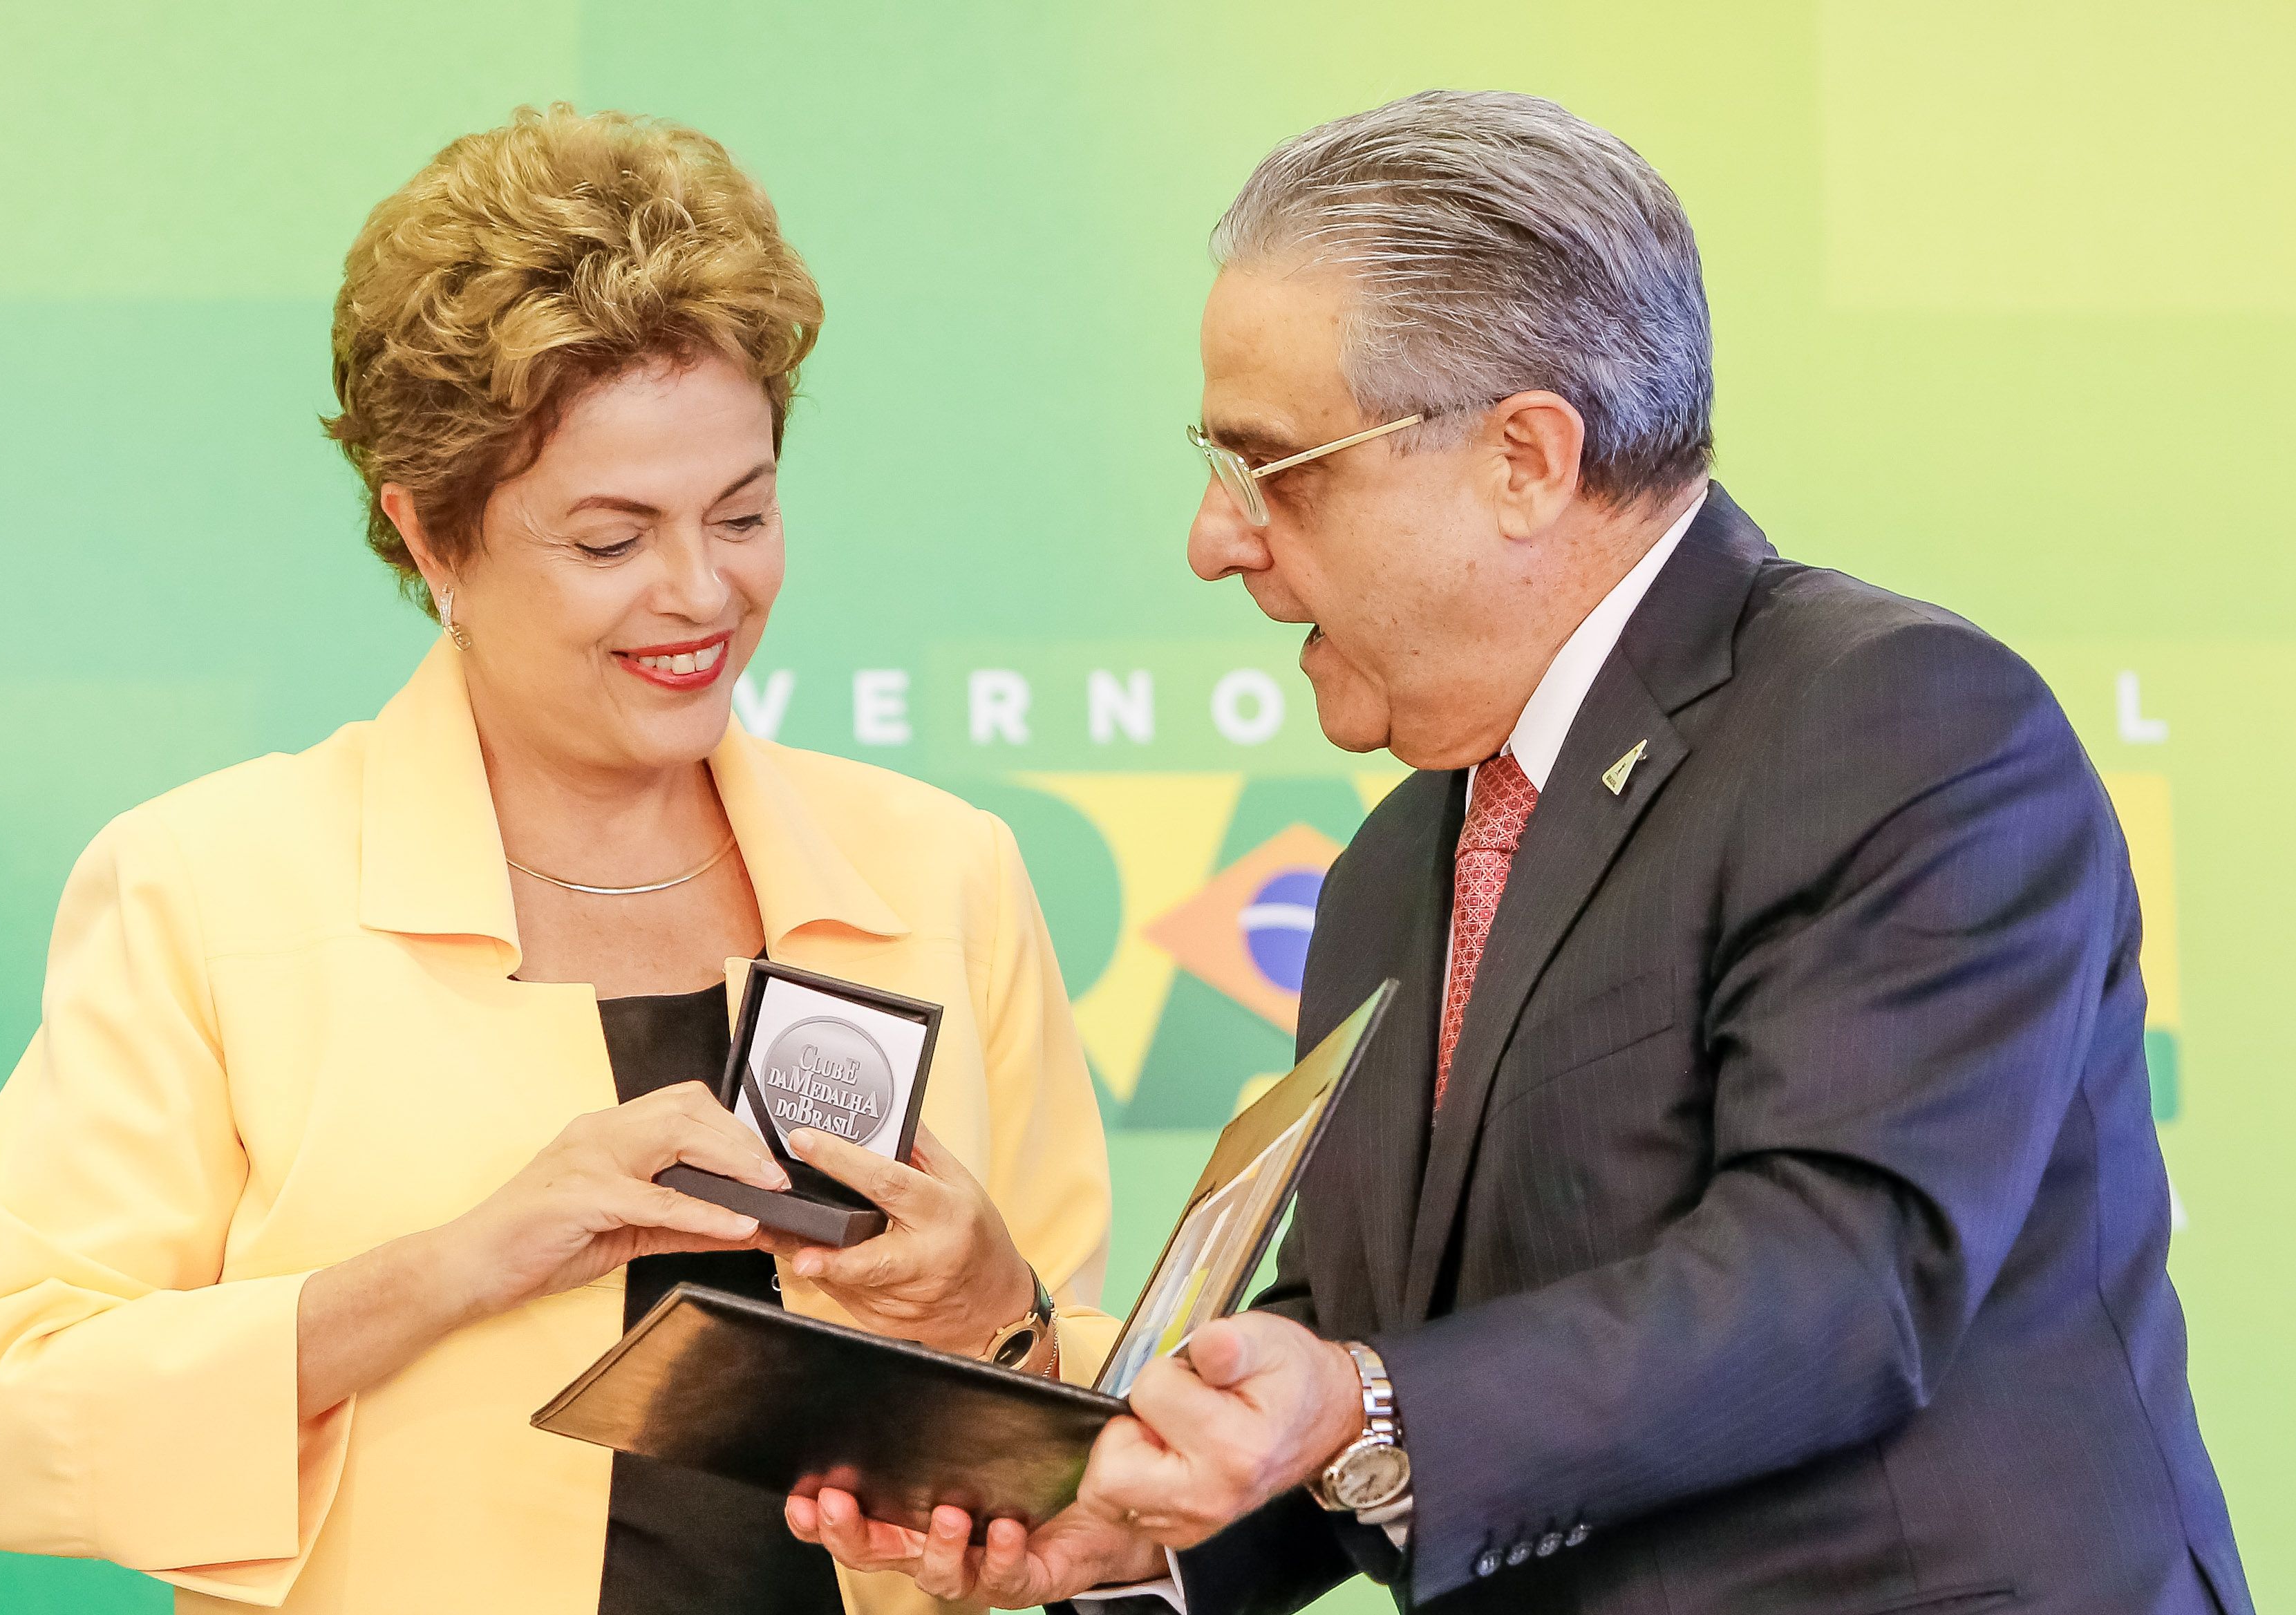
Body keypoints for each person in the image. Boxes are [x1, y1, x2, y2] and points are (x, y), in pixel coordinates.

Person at [793, 90, 2254, 1614]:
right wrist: (1118, 1521)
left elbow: (1838, 1277)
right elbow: (1375, 1351)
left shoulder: (1895, 723)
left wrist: (1352, 1398)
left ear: (1524, 459)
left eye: (1272, 467)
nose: (1212, 540)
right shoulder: (1388, 870)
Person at [0, 104, 1116, 1615]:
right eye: (609, 540)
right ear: (429, 538)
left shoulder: (945, 871)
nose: (700, 593)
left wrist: (1004, 1317)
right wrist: (456, 1264)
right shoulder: (204, 886)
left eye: (742, 511)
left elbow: (1091, 1438)